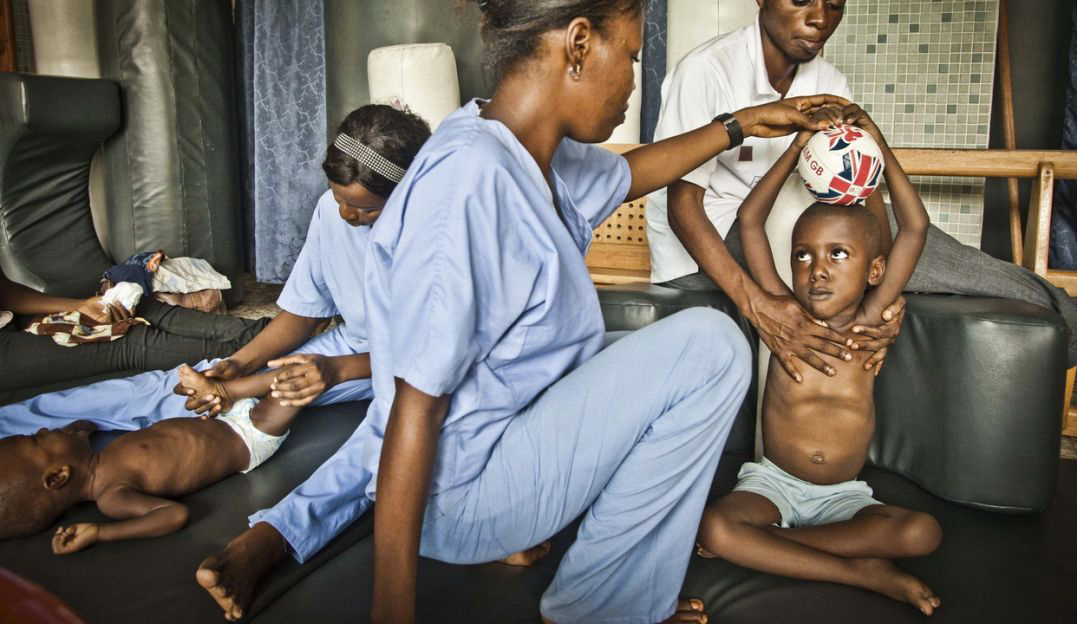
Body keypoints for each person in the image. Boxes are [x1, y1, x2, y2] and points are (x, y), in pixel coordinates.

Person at [299, 2, 862, 623]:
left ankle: (611, 591)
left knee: (654, 349)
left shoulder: (520, 147)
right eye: (629, 57)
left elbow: (628, 173)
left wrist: (742, 124)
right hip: (459, 494)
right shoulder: (468, 185)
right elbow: (413, 401)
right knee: (712, 346)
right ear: (578, 43)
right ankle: (606, 607)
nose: (630, 82)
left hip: (501, 447)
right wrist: (392, 613)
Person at [648, 0, 1077, 374]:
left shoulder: (827, 82)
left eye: (833, 5)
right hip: (703, 246)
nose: (819, 19)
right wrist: (760, 306)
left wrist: (886, 292)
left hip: (786, 228)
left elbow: (864, 200)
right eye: (801, 1)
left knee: (874, 225)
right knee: (850, 228)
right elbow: (683, 207)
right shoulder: (707, 70)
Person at [0, 104, 430, 439]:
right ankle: (12, 425)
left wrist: (331, 370)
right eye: (339, 199)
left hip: (410, 371)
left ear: (408, 191)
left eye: (364, 209)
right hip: (349, 347)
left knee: (257, 399)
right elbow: (305, 311)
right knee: (188, 384)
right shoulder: (331, 213)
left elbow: (436, 356)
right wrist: (239, 364)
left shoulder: (438, 240)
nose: (346, 215)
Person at [697, 107, 943, 616]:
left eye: (838, 255)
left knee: (923, 532)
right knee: (715, 527)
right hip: (773, 485)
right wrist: (795, 148)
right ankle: (862, 572)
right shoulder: (785, 315)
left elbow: (914, 228)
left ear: (875, 269)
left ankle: (773, 547)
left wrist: (874, 142)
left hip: (844, 499)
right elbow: (749, 221)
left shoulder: (872, 320)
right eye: (803, 255)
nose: (817, 271)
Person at [0, 396, 299, 554]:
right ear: (58, 477)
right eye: (36, 440)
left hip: (224, 416)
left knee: (252, 372)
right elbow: (173, 515)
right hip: (248, 438)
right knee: (299, 380)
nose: (41, 430)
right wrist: (101, 533)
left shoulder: (91, 457)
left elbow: (82, 428)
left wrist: (74, 435)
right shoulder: (112, 496)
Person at [0, 266, 268, 405]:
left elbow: (5, 292)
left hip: (11, 318)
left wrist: (78, 306)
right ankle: (267, 352)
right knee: (124, 339)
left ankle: (267, 332)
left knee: (124, 306)